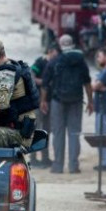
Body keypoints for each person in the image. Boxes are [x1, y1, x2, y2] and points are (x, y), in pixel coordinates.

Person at [40, 34, 93, 174]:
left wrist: (43, 101)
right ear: (72, 44)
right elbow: (87, 83)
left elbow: (45, 84)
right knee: (74, 134)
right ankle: (73, 166)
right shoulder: (81, 61)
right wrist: (91, 101)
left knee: (58, 133)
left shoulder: (54, 61)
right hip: (76, 101)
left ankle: (58, 166)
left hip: (58, 101)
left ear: (60, 44)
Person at [29, 43, 59, 168]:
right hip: (38, 103)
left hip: (50, 101)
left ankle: (45, 158)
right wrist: (43, 82)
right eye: (56, 53)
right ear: (51, 51)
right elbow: (31, 76)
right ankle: (34, 159)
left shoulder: (55, 64)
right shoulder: (40, 62)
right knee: (37, 130)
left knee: (47, 131)